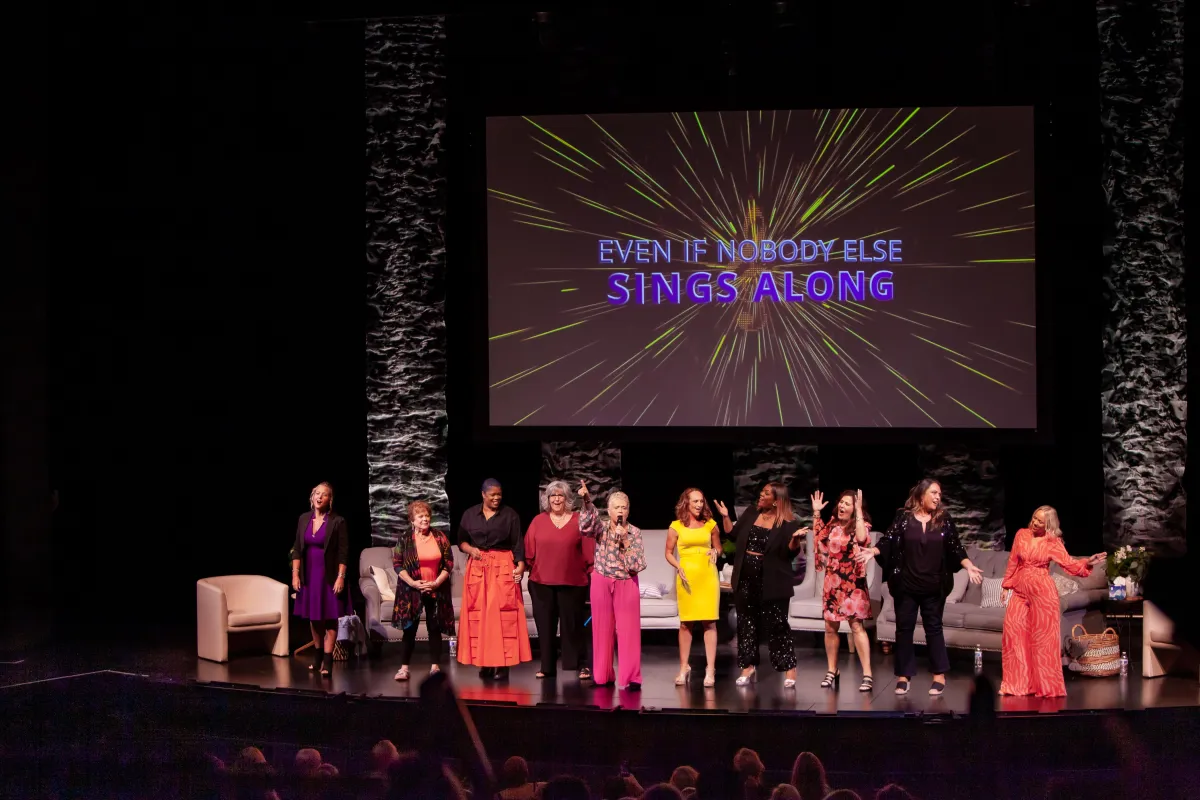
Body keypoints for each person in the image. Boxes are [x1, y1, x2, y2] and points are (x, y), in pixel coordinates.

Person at [857, 478, 984, 696]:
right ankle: (904, 676)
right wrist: (873, 551)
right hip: (906, 584)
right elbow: (888, 540)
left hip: (934, 586)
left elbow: (955, 547)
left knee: (933, 629)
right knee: (904, 630)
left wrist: (969, 566)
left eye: (939, 494)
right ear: (921, 495)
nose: (937, 497)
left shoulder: (943, 519)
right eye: (934, 493)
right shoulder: (903, 518)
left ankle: (939, 675)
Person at [999, 505, 1106, 697]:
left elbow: (1070, 564)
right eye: (1034, 518)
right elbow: (1013, 562)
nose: (1035, 522)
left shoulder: (1052, 542)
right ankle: (1018, 685)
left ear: (1048, 524)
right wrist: (1006, 586)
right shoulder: (1021, 535)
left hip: (1043, 593)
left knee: (1043, 641)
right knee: (1013, 633)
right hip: (1020, 591)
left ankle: (1047, 687)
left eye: (1040, 521)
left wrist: (1087, 562)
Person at [728, 482, 806, 688]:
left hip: (773, 579)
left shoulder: (788, 523)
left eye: (766, 493)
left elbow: (789, 552)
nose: (761, 496)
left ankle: (789, 667)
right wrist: (725, 516)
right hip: (745, 576)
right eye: (761, 492)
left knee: (778, 624)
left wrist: (795, 541)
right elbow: (734, 536)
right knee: (746, 623)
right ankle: (748, 666)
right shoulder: (751, 512)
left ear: (777, 500)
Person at [456, 478, 531, 679]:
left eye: (499, 494)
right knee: (479, 617)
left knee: (502, 615)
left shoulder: (510, 515)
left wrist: (521, 566)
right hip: (478, 567)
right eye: (493, 495)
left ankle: (502, 664)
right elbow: (461, 540)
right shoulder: (470, 514)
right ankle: (485, 663)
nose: (497, 498)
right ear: (483, 495)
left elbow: (517, 543)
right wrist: (471, 549)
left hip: (502, 565)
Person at [577, 481, 646, 690]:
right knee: (602, 630)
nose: (620, 511)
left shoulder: (634, 532)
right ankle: (603, 676)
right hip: (602, 581)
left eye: (624, 507)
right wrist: (587, 500)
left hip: (626, 582)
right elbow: (586, 526)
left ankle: (632, 678)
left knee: (629, 631)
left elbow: (637, 564)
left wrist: (625, 541)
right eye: (617, 507)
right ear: (609, 510)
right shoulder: (602, 528)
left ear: (629, 511)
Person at [525, 480, 595, 680]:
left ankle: (581, 664)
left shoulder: (579, 519)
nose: (556, 499)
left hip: (572, 582)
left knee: (573, 627)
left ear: (567, 498)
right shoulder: (538, 521)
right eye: (552, 495)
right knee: (545, 627)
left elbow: (589, 550)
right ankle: (547, 667)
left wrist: (592, 571)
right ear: (547, 499)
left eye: (560, 495)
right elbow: (529, 550)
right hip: (541, 583)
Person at [666, 488, 732, 688]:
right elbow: (669, 552)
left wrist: (715, 551)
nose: (699, 505)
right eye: (695, 501)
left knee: (709, 622)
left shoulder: (710, 524)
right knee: (686, 623)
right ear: (685, 502)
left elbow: (719, 548)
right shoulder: (675, 526)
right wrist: (678, 567)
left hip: (707, 577)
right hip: (687, 578)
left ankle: (710, 669)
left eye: (701, 501)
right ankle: (684, 666)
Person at [811, 489, 874, 692]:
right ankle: (832, 670)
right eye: (841, 502)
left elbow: (864, 539)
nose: (842, 506)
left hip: (853, 582)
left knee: (856, 626)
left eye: (847, 503)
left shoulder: (860, 525)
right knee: (830, 627)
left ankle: (867, 674)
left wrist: (858, 512)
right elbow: (819, 542)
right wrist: (816, 513)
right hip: (833, 581)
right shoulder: (832, 525)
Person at [392, 500, 455, 681]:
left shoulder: (439, 536)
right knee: (409, 629)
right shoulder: (405, 539)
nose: (425, 519)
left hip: (435, 589)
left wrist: (436, 582)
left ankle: (435, 667)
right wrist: (413, 583)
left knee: (434, 628)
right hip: (412, 590)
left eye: (427, 516)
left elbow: (449, 563)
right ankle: (404, 668)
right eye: (420, 516)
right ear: (412, 520)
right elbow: (397, 564)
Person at [292, 481, 350, 676]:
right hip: (309, 575)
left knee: (330, 617)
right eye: (316, 493)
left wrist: (340, 577)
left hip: (330, 575)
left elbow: (343, 553)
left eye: (324, 494)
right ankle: (317, 657)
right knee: (314, 616)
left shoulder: (337, 521)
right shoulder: (303, 519)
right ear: (312, 497)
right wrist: (295, 574)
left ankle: (328, 661)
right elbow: (297, 550)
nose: (319, 497)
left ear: (329, 500)